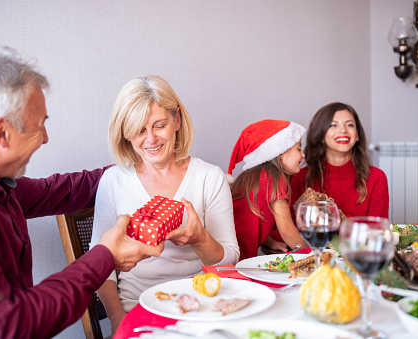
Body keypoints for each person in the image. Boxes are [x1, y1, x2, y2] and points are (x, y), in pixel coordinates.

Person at [0, 47, 163, 338]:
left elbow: (59, 190)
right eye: (39, 126)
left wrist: (138, 170)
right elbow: (3, 326)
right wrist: (104, 256)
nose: (46, 138)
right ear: (1, 133)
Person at [89, 75, 240, 334]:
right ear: (125, 133)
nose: (151, 140)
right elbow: (99, 263)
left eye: (160, 125)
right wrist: (116, 317)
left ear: (177, 120)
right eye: (139, 130)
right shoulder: (113, 181)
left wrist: (200, 238)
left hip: (202, 306)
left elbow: (229, 261)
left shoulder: (209, 177)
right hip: (137, 308)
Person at [291, 102, 389, 218]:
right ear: (321, 135)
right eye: (333, 125)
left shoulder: (376, 178)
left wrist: (342, 220)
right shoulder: (300, 178)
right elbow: (289, 228)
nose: (343, 130)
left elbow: (378, 229)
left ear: (357, 135)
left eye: (350, 125)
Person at [228, 119, 307, 260]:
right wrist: (311, 253)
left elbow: (250, 219)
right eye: (299, 149)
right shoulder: (276, 179)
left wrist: (271, 242)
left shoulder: (254, 176)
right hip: (238, 257)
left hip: (227, 250)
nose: (303, 155)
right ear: (281, 151)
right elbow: (287, 230)